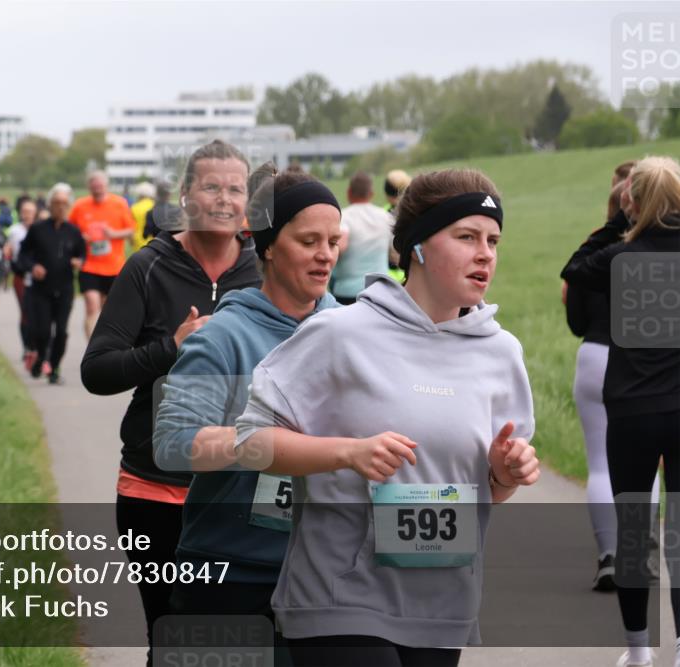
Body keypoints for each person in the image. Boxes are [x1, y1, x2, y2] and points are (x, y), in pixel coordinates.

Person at [236, 168, 539, 667]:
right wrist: (348, 453)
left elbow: (489, 491)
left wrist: (504, 475)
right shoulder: (341, 333)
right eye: (466, 237)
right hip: (338, 596)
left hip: (440, 603)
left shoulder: (501, 352)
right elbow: (250, 442)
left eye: (493, 240)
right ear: (416, 245)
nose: (485, 253)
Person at [80, 140, 262, 666]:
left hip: (242, 491)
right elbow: (96, 371)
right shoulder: (149, 267)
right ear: (185, 196)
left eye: (235, 188)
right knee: (172, 638)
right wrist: (172, 347)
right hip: (156, 491)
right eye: (211, 186)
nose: (224, 200)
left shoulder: (263, 272)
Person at [152, 164, 341, 624]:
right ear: (269, 245)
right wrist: (265, 443)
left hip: (327, 574)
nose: (325, 256)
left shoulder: (352, 334)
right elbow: (174, 444)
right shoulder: (222, 337)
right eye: (308, 241)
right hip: (230, 574)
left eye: (334, 242)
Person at [561, 156, 680, 667]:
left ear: (632, 200)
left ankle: (638, 650)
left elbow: (573, 269)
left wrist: (617, 219)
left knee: (635, 531)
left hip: (632, 409)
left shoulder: (617, 257)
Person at [564, 167, 660, 593]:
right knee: (647, 464)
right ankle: (638, 552)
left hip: (595, 354)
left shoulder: (599, 248)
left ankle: (608, 555)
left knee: (600, 463)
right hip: (645, 363)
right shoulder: (656, 248)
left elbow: (576, 315)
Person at [17, 184, 86, 384]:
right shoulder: (38, 229)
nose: (61, 207)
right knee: (43, 331)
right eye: (57, 203)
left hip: (64, 288)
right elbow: (23, 254)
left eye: (65, 204)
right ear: (49, 205)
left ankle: (54, 367)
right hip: (41, 289)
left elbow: (82, 253)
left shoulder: (74, 231)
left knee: (62, 331)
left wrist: (79, 261)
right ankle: (40, 357)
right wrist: (33, 267)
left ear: (70, 206)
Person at [69, 170, 136, 338]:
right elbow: (69, 231)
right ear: (89, 187)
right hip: (89, 265)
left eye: (100, 186)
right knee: (92, 306)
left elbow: (131, 230)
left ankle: (102, 348)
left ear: (106, 186)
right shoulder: (80, 205)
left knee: (107, 312)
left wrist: (113, 234)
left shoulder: (119, 203)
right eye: (94, 186)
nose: (97, 189)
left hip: (113, 266)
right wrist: (81, 237)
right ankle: (91, 350)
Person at [330, 171, 396, 305]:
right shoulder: (385, 217)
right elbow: (395, 253)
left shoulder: (344, 217)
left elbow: (341, 246)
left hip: (347, 293)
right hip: (380, 290)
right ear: (371, 194)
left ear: (349, 192)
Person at [8, 199, 37, 364]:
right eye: (24, 211)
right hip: (20, 275)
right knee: (26, 312)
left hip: (38, 277)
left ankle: (36, 346)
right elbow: (10, 250)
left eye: (30, 212)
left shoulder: (40, 229)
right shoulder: (14, 231)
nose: (27, 215)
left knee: (38, 313)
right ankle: (27, 346)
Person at [384, 169, 412, 282]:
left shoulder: (382, 214)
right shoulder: (415, 212)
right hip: (411, 274)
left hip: (388, 276)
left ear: (386, 193)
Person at [131, 181, 157, 250]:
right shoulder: (155, 205)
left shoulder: (134, 207)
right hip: (153, 239)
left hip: (138, 240)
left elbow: (131, 226)